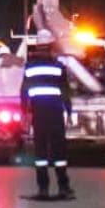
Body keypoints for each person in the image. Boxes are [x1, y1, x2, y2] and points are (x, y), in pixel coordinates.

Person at [21, 31, 73, 199]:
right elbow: (65, 92)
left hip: (39, 114)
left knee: (41, 153)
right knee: (59, 153)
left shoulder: (30, 67)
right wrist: (69, 112)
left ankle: (43, 189)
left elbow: (24, 92)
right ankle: (63, 187)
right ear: (51, 46)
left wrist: (24, 112)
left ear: (36, 46)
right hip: (56, 113)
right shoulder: (59, 67)